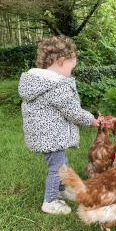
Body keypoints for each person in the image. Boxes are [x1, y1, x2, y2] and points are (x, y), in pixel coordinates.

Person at [18, 35, 99, 214]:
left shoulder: (37, 82)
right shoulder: (57, 86)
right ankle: (50, 201)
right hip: (51, 137)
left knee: (61, 163)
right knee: (58, 168)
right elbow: (74, 112)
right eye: (72, 67)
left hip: (43, 135)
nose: (72, 72)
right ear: (62, 61)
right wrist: (92, 120)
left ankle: (61, 189)